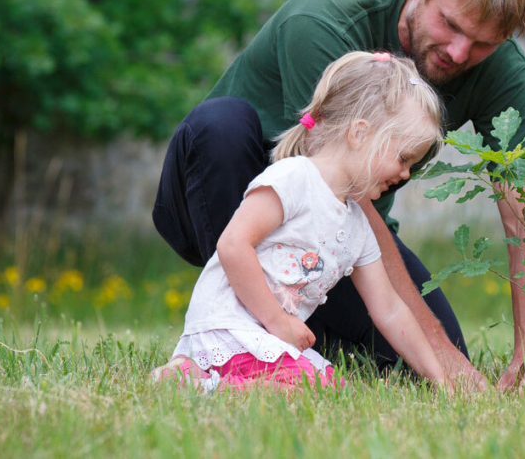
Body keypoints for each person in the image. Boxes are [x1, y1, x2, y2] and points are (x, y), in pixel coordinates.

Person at [151, 0, 525, 389]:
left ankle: (291, 346)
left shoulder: (504, 72)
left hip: (338, 230)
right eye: (449, 24)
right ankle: (230, 347)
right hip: (232, 197)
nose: (460, 53)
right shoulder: (326, 19)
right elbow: (336, 182)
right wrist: (442, 356)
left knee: (420, 363)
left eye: (484, 43)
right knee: (222, 125)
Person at [151, 52, 449, 391]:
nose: (406, 173)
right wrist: (278, 321)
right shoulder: (295, 178)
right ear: (360, 134)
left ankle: (197, 377)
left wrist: (440, 376)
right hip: (231, 327)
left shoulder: (356, 225)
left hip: (267, 336)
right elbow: (233, 245)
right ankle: (197, 385)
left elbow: (391, 309)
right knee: (311, 390)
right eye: (403, 157)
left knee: (335, 388)